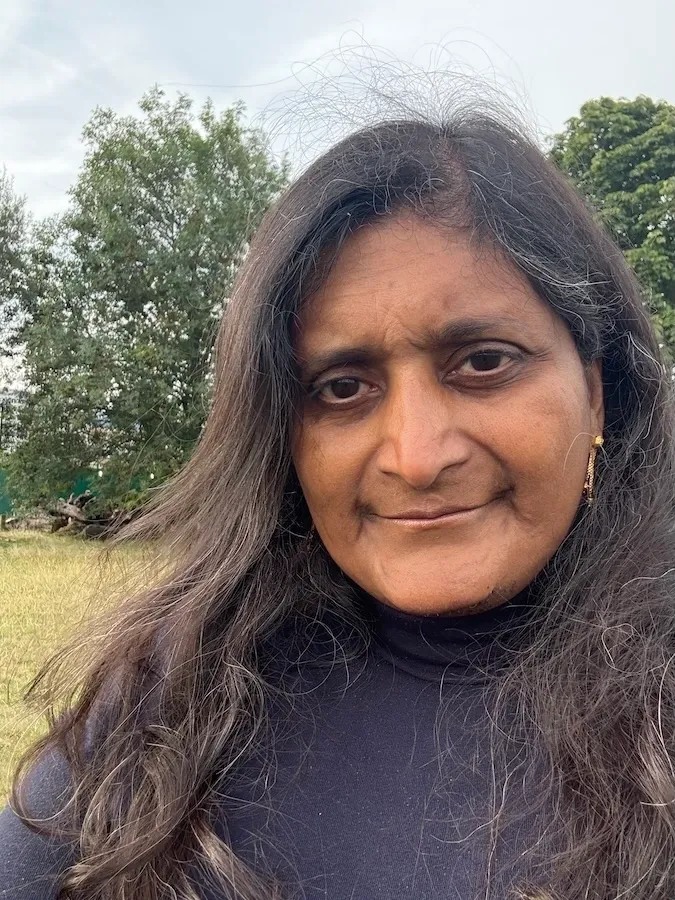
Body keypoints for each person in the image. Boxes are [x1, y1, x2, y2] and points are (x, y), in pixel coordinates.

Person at [2, 108, 675, 900]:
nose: (415, 457)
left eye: (483, 362)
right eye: (342, 387)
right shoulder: (176, 692)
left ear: (594, 392)